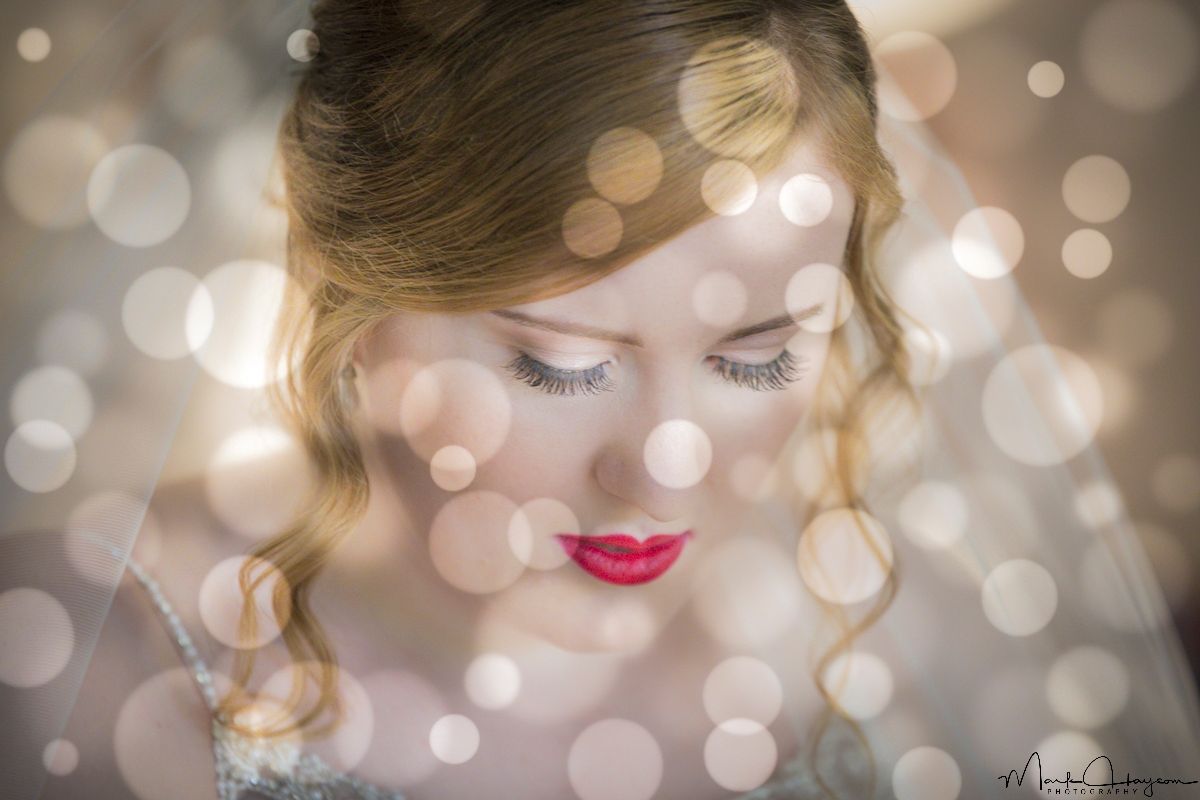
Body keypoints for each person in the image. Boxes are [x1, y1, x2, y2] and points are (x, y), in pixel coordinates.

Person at [12, 1, 1200, 799]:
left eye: (757, 356)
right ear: (352, 300)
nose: (668, 470)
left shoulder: (902, 634)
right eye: (562, 364)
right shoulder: (80, 654)